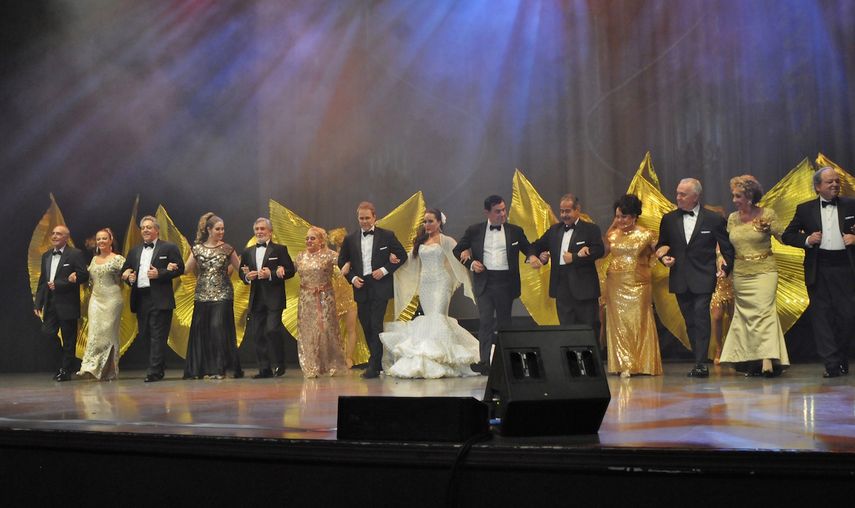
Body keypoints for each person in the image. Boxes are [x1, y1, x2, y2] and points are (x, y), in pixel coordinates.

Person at [379, 209, 480, 378]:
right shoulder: (421, 242)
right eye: (425, 221)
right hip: (425, 285)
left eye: (431, 221)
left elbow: (458, 254)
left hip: (441, 283)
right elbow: (409, 261)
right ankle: (431, 361)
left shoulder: (446, 240)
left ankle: (444, 358)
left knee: (438, 317)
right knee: (430, 319)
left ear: (439, 222)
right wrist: (393, 260)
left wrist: (467, 253)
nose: (427, 225)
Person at [656, 178, 734, 378]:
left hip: (704, 276)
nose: (678, 197)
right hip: (680, 277)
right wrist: (664, 258)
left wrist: (726, 268)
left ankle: (701, 364)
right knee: (690, 320)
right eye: (678, 193)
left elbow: (727, 248)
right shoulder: (669, 219)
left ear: (695, 196)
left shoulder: (713, 219)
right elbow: (662, 245)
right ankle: (698, 359)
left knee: (701, 316)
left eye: (683, 194)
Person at [782, 167, 855, 378]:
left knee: (847, 317)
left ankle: (840, 357)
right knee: (821, 318)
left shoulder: (851, 204)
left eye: (837, 181)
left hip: (845, 268)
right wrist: (807, 239)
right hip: (819, 268)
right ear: (817, 187)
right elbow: (787, 235)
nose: (835, 185)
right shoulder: (805, 209)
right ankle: (831, 364)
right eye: (829, 182)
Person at [718, 176, 789, 376]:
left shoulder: (768, 214)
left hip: (765, 271)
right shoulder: (732, 218)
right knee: (746, 317)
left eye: (738, 196)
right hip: (741, 273)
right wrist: (722, 263)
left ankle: (767, 359)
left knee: (764, 313)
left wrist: (772, 228)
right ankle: (750, 359)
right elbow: (726, 247)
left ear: (750, 196)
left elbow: (784, 237)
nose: (734, 200)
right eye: (733, 196)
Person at [454, 195, 532, 375]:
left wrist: (534, 256)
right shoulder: (474, 230)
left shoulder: (515, 231)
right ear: (487, 212)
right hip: (485, 281)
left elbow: (528, 248)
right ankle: (484, 362)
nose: (502, 214)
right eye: (498, 211)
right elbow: (457, 249)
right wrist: (471, 263)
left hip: (505, 282)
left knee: (505, 323)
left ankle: (506, 362)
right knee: (485, 322)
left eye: (504, 209)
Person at [337, 201, 408, 378]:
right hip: (361, 286)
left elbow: (402, 255)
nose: (364, 221)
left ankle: (374, 365)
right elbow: (342, 261)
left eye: (367, 218)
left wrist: (384, 270)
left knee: (376, 324)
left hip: (380, 286)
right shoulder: (350, 239)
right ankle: (377, 362)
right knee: (366, 325)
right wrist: (352, 278)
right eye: (361, 218)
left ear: (375, 217)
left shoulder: (387, 235)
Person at [601, 195, 662, 377]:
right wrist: (611, 227)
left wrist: (665, 255)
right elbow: (604, 252)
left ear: (634, 216)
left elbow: (659, 250)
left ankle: (643, 364)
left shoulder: (646, 234)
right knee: (619, 324)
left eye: (624, 217)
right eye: (617, 216)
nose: (620, 220)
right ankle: (623, 364)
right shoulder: (613, 234)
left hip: (638, 284)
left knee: (638, 321)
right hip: (615, 284)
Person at [529, 193, 604, 336]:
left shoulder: (591, 229)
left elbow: (599, 250)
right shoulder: (554, 231)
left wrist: (575, 257)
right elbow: (535, 245)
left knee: (589, 331)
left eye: (567, 211)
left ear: (577, 210)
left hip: (585, 291)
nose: (564, 215)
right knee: (567, 333)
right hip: (562, 291)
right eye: (562, 211)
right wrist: (534, 256)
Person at [121, 216, 185, 382]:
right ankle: (159, 366)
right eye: (143, 228)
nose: (145, 230)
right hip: (141, 298)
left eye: (149, 227)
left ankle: (154, 371)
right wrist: (128, 277)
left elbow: (180, 268)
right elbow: (126, 270)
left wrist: (160, 273)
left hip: (160, 297)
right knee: (145, 335)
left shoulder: (168, 247)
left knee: (158, 335)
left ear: (157, 230)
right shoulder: (134, 251)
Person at [182, 213, 243, 380]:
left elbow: (240, 268)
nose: (221, 232)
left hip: (223, 294)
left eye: (223, 229)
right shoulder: (197, 249)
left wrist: (250, 272)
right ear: (209, 230)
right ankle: (200, 369)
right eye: (218, 229)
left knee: (218, 328)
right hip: (202, 294)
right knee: (201, 330)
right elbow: (186, 269)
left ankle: (219, 367)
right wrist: (171, 266)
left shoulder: (227, 249)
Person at [239, 217, 295, 379]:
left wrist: (271, 274)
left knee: (272, 330)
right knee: (257, 334)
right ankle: (264, 369)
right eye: (257, 229)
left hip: (274, 297)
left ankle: (279, 364)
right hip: (256, 298)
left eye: (262, 229)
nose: (259, 232)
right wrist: (248, 277)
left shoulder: (280, 249)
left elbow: (290, 271)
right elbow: (242, 273)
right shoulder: (247, 251)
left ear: (270, 232)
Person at [34, 225, 89, 381]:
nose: (54, 236)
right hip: (50, 303)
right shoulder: (46, 255)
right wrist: (38, 303)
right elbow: (42, 281)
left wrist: (61, 283)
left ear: (66, 237)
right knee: (48, 334)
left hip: (68, 303)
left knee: (69, 339)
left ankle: (65, 370)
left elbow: (83, 275)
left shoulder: (75, 254)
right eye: (53, 233)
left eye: (58, 234)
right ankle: (64, 364)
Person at [294, 226, 348, 378]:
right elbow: (289, 270)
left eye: (312, 238)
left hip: (325, 297)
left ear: (321, 240)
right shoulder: (300, 256)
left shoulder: (329, 255)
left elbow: (345, 261)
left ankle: (332, 364)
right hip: (306, 299)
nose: (309, 241)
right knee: (308, 331)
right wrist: (278, 269)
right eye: (307, 238)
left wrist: (347, 265)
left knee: (327, 330)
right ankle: (311, 366)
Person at [77, 228, 125, 380]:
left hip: (112, 299)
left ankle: (108, 369)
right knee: (94, 333)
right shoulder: (94, 259)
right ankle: (90, 367)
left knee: (108, 334)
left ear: (111, 240)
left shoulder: (118, 259)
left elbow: (128, 273)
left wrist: (128, 274)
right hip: (96, 300)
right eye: (98, 239)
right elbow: (89, 279)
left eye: (104, 238)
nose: (101, 241)